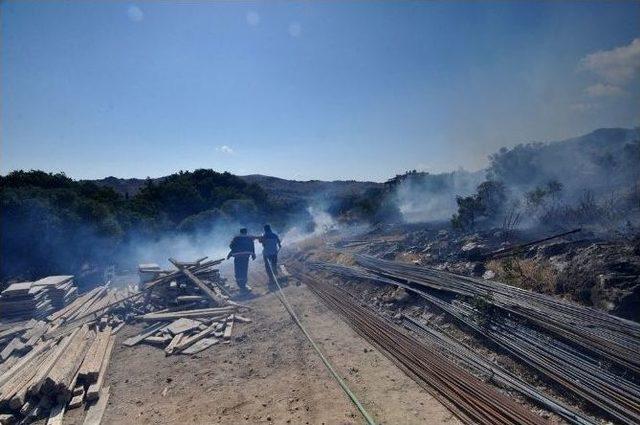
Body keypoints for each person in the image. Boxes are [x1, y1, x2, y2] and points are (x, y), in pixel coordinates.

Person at [227, 228, 256, 294]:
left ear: (240, 232)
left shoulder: (236, 238)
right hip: (245, 257)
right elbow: (252, 247)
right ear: (246, 232)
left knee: (238, 270)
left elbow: (231, 246)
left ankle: (241, 285)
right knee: (244, 270)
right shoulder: (249, 238)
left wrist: (231, 254)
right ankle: (244, 285)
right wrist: (253, 255)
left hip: (237, 257)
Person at [259, 224, 282, 290]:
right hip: (274, 252)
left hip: (266, 253)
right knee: (273, 264)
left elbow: (261, 242)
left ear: (264, 229)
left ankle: (271, 279)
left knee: (267, 266)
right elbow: (279, 245)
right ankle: (274, 271)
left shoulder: (264, 236)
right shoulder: (275, 235)